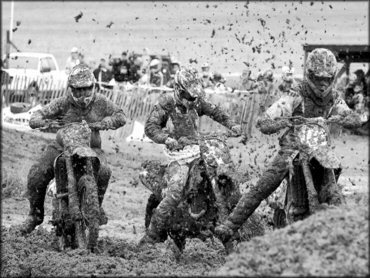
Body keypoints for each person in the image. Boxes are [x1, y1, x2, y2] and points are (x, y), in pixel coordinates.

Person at [214, 48, 363, 244]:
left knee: (333, 188)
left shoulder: (334, 97)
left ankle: (347, 234)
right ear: (309, 75)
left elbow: (354, 117)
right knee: (263, 186)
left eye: (327, 79)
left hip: (321, 151)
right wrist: (281, 122)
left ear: (333, 77)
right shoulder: (296, 94)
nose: (322, 83)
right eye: (318, 79)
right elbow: (264, 121)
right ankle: (230, 226)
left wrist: (346, 118)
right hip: (292, 149)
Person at [139, 67, 242, 245]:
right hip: (177, 156)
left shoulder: (197, 101)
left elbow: (216, 112)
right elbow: (150, 127)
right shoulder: (166, 102)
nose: (192, 100)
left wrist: (232, 125)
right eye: (189, 96)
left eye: (195, 97)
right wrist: (166, 138)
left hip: (198, 149)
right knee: (175, 192)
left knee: (222, 173)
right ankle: (150, 237)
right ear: (179, 91)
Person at [19, 64, 127, 234]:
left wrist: (107, 122)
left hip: (92, 147)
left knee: (105, 171)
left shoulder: (101, 102)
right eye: (78, 90)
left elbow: (120, 115)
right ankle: (35, 215)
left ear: (93, 87)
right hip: (61, 146)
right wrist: (41, 121)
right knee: (37, 174)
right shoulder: (63, 102)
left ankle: (95, 208)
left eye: (86, 89)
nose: (82, 94)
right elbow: (38, 115)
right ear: (71, 89)